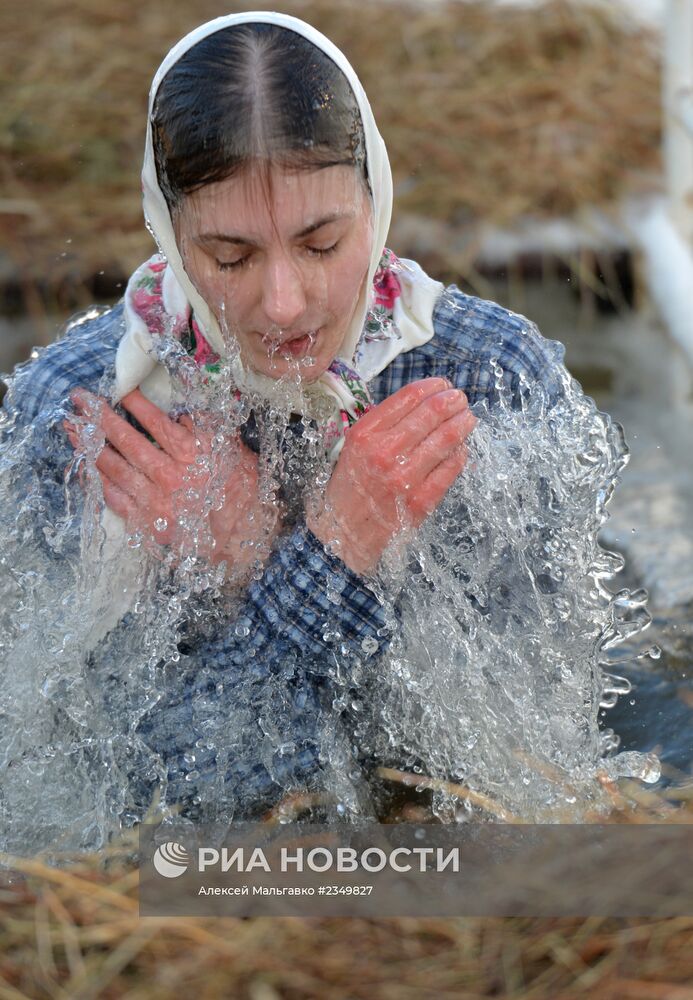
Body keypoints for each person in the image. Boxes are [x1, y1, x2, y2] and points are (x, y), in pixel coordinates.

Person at [0, 12, 576, 836]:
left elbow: (518, 763)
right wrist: (323, 556)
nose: (283, 303)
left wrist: (280, 564)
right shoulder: (85, 412)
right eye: (229, 257)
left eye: (321, 244)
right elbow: (123, 806)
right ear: (167, 231)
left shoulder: (487, 377)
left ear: (374, 201)